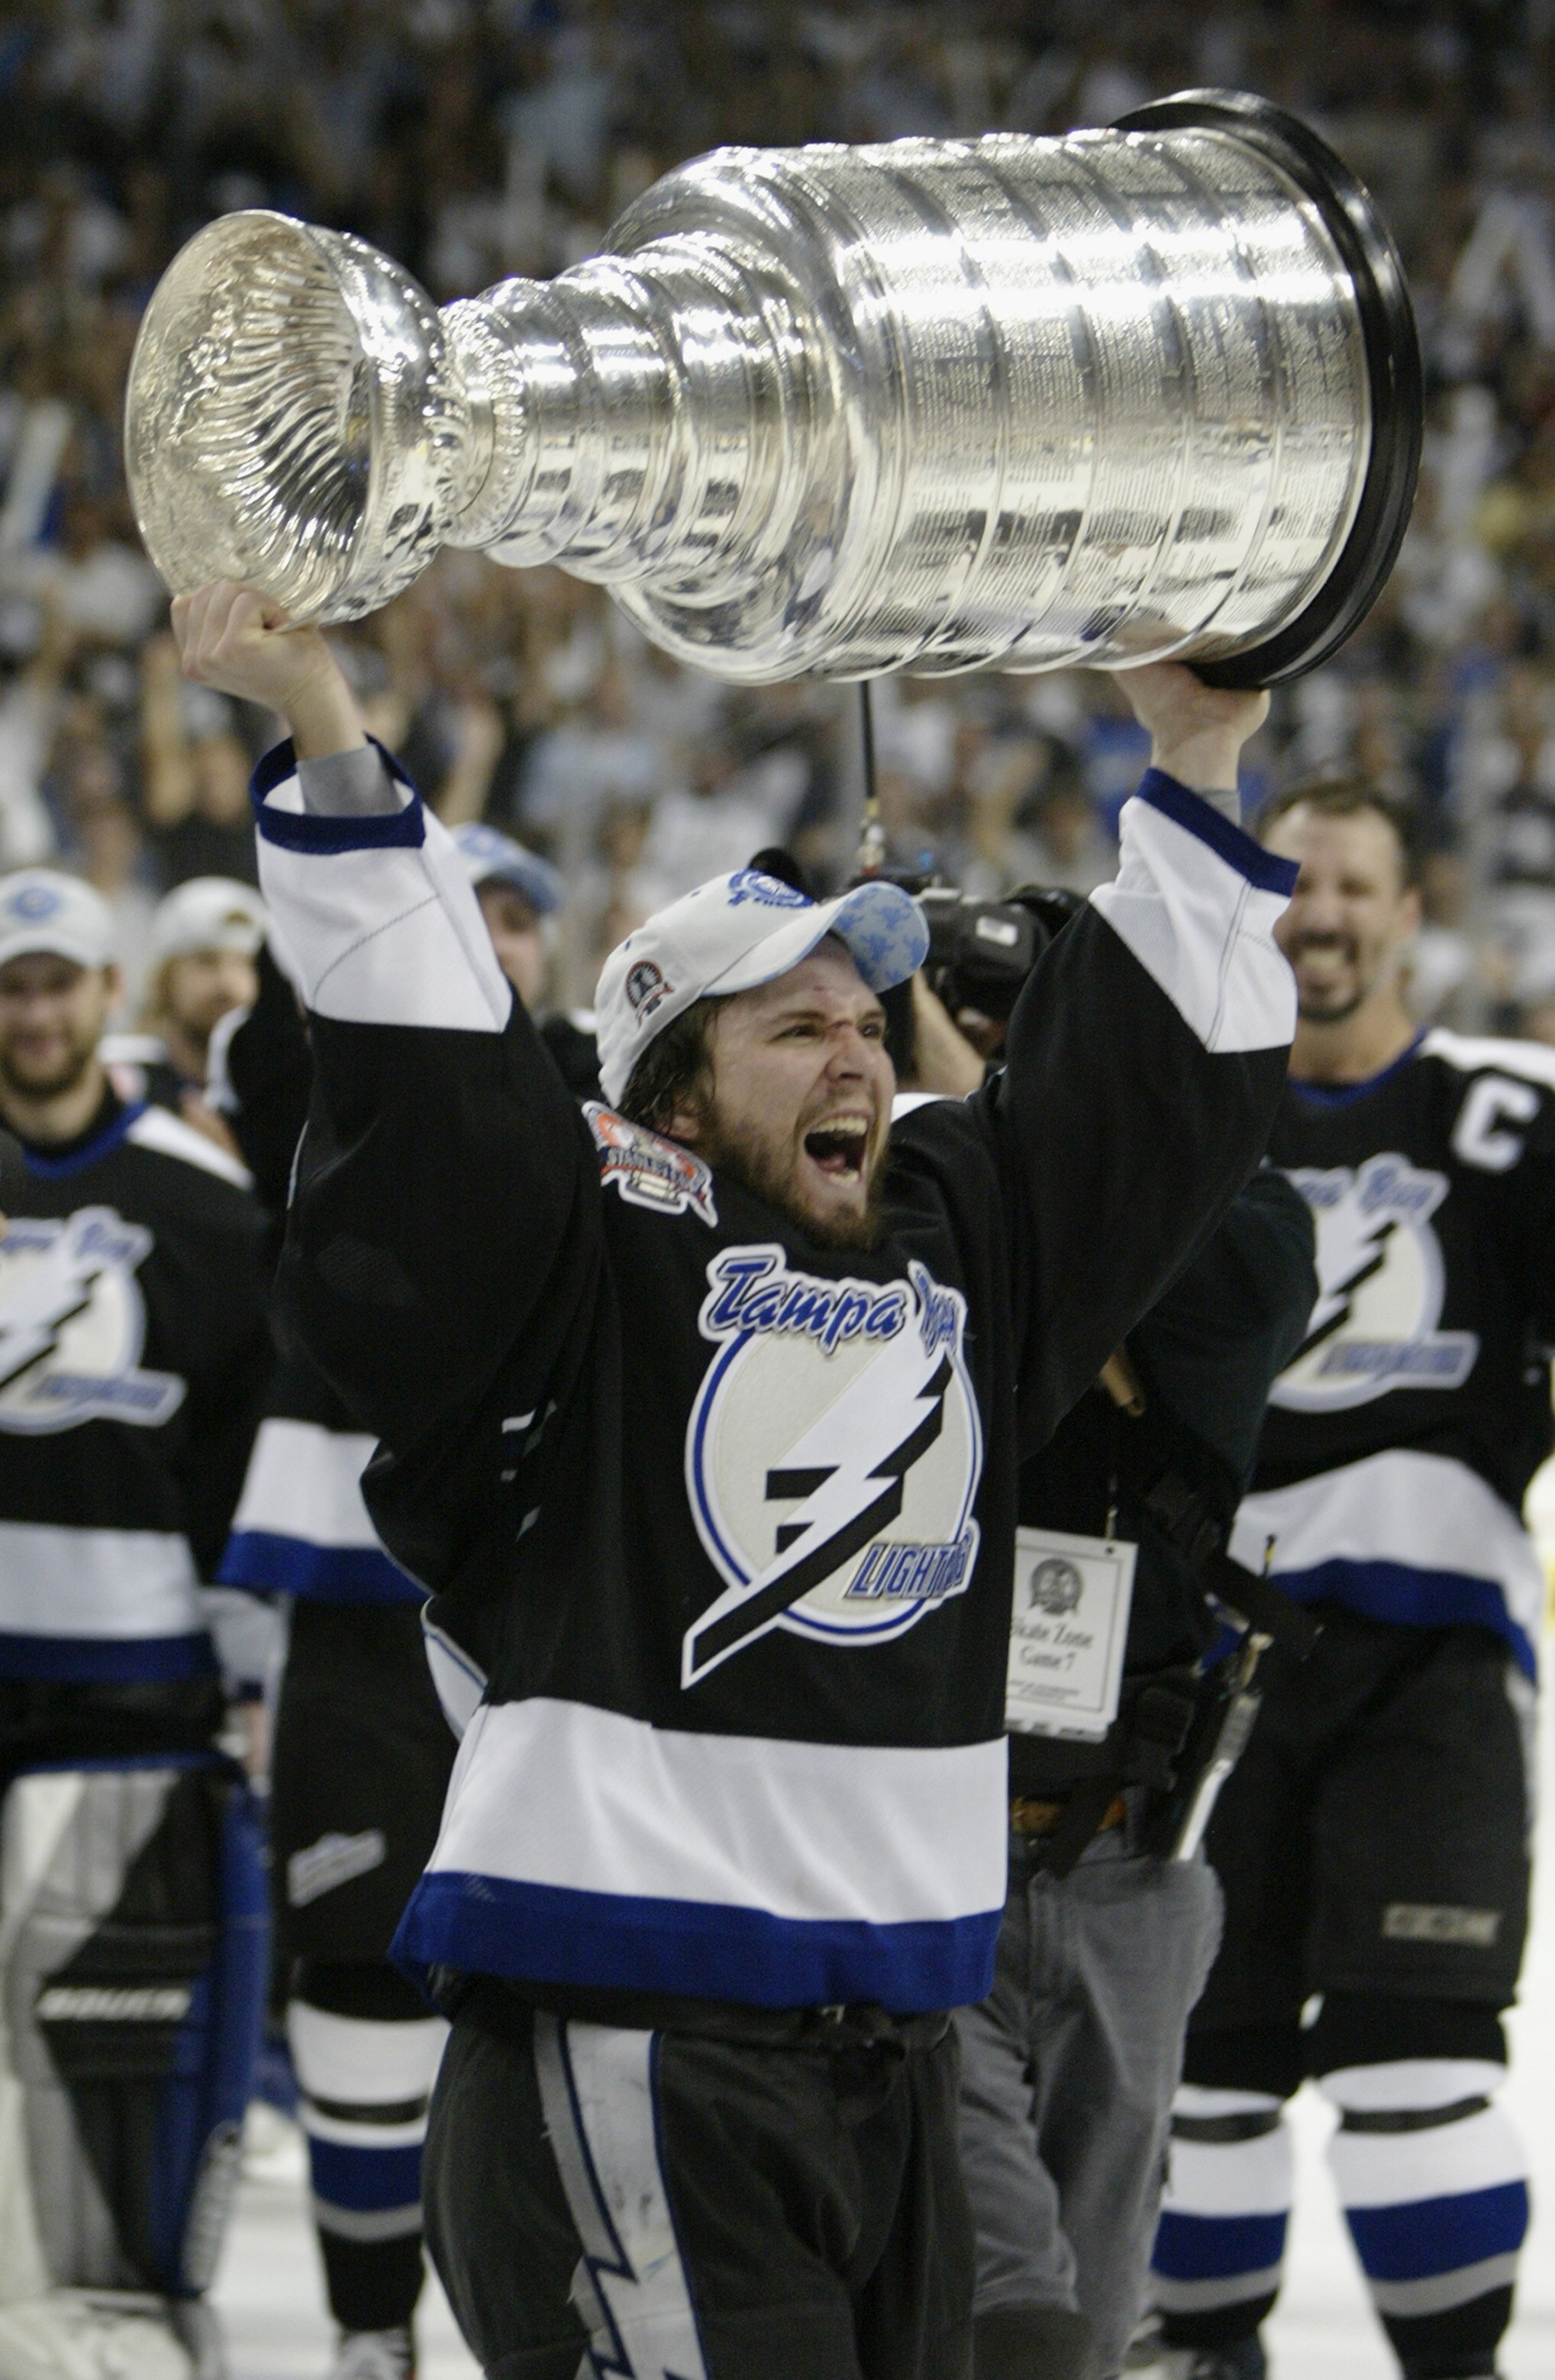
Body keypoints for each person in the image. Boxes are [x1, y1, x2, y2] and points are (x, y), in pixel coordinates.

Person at [175, 577, 1295, 2380]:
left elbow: (1134, 1110)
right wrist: (315, 708)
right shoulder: (584, 1258)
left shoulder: (955, 1248)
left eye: (869, 1019)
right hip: (636, 2032)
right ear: (671, 1101)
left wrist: (1200, 751)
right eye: (794, 1030)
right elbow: (441, 1095)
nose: (857, 1046)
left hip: (900, 2047)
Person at [1150, 776, 1547, 2380]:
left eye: (1354, 886)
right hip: (1192, 1674)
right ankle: (1201, 2351)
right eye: (1294, 883)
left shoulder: (1503, 1114)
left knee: (1413, 2055)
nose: (1318, 913)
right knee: (1201, 2060)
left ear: (1407, 909)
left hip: (1422, 1667)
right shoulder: (1180, 1120)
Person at [959, 1164, 1316, 2380]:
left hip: (1132, 1854)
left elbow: (1217, 1295)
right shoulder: (907, 1183)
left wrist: (1015, 1117)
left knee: (1095, 2322)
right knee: (1009, 2305)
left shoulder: (1249, 1218)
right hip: (926, 1856)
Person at [0, 866, 272, 2379]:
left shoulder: (200, 1196)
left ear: (106, 996)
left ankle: (122, 2316)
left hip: (137, 1699)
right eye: (10, 986)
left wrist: (248, 1678)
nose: (33, 1013)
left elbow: (242, 1457)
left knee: (108, 2059)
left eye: (58, 983)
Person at [102, 874, 266, 1116]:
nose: (228, 983)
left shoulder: (283, 1091)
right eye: (206, 961)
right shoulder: (120, 1084)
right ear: (164, 980)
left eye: (246, 964)